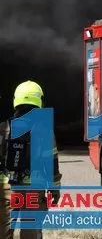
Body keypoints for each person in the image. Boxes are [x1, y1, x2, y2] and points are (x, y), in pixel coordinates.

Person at [0, 81, 62, 239]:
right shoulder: (45, 131)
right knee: (31, 233)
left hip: (7, 189)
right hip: (34, 189)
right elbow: (52, 165)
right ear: (39, 101)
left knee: (3, 232)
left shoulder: (3, 128)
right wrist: (55, 189)